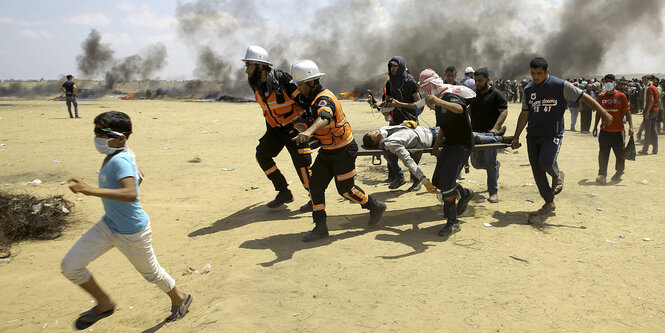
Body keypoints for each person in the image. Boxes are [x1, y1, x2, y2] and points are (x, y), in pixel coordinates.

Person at [61, 111, 192, 330]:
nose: (98, 137)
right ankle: (104, 303)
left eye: (103, 133)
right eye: (96, 131)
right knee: (70, 266)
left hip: (132, 231)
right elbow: (139, 176)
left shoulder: (119, 159)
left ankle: (180, 297)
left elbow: (131, 193)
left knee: (152, 274)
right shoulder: (120, 155)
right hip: (108, 224)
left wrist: (89, 190)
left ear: (121, 138)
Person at [291, 60, 386, 242]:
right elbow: (306, 118)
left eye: (300, 84)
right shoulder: (311, 98)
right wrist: (302, 129)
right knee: (315, 186)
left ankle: (375, 206)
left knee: (346, 191)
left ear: (311, 82)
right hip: (328, 151)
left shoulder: (325, 99)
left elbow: (325, 117)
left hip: (343, 151)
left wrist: (309, 132)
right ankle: (320, 227)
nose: (298, 88)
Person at [510, 57, 612, 214]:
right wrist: (516, 136)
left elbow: (584, 97)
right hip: (533, 135)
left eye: (539, 73)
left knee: (546, 161)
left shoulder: (560, 86)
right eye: (532, 73)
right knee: (537, 171)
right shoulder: (529, 90)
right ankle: (549, 202)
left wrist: (603, 112)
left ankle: (557, 174)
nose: (535, 77)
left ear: (547, 72)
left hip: (552, 134)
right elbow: (525, 114)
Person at [241, 46, 313, 211]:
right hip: (275, 130)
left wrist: (308, 129)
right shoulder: (257, 85)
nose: (246, 71)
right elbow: (268, 111)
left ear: (260, 66)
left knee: (303, 166)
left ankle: (314, 199)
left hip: (295, 130)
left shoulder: (283, 81)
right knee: (262, 155)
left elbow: (306, 102)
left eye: (248, 65)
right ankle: (283, 191)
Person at [420, 68, 475, 238]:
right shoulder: (438, 101)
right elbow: (443, 125)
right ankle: (465, 194)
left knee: (446, 182)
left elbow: (459, 109)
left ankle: (453, 223)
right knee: (437, 180)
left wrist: (439, 101)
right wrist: (437, 145)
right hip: (449, 143)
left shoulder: (449, 95)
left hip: (462, 144)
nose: (424, 91)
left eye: (425, 87)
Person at [372, 56, 422, 190]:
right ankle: (398, 177)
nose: (393, 69)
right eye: (391, 66)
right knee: (387, 148)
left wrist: (401, 104)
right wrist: (378, 106)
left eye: (395, 66)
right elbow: (387, 103)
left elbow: (420, 104)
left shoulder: (411, 82)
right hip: (395, 121)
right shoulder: (390, 83)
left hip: (410, 122)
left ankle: (416, 180)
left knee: (412, 151)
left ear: (401, 67)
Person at [363, 122, 439, 194]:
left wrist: (404, 123)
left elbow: (398, 129)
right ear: (377, 142)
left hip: (429, 130)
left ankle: (407, 179)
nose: (377, 131)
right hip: (434, 137)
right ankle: (405, 179)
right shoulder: (392, 143)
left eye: (373, 131)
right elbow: (408, 161)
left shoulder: (383, 130)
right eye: (376, 134)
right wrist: (424, 180)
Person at [469, 67, 508, 203]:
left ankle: (493, 192)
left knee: (490, 163)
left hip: (490, 136)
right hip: (475, 135)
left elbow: (504, 111)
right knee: (476, 163)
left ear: (487, 79)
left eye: (480, 80)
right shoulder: (473, 95)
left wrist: (496, 128)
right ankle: (496, 167)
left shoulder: (496, 94)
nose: (477, 83)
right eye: (476, 81)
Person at [593, 74, 633, 184]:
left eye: (611, 81)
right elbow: (598, 112)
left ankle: (619, 172)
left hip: (618, 131)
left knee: (620, 154)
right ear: (604, 83)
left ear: (614, 82)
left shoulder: (621, 96)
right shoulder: (601, 97)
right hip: (605, 131)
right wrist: (595, 126)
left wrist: (631, 127)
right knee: (603, 153)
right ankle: (602, 175)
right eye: (607, 81)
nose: (608, 83)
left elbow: (627, 112)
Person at [639, 75, 659, 155]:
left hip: (650, 111)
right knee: (653, 130)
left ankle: (645, 149)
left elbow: (651, 100)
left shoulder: (650, 88)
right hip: (655, 111)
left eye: (644, 80)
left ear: (648, 80)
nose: (643, 81)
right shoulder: (655, 88)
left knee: (647, 131)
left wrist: (647, 112)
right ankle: (655, 149)